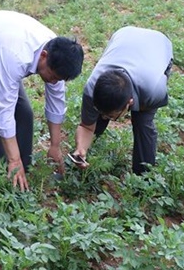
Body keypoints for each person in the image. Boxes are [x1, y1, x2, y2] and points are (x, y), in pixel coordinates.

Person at [0, 10, 84, 191]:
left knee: (24, 114)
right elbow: (4, 112)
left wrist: (55, 145)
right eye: (52, 76)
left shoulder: (58, 58)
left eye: (58, 79)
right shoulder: (17, 56)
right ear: (43, 56)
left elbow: (56, 102)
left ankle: (22, 178)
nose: (53, 82)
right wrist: (14, 159)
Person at [72, 26, 173, 175]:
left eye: (112, 116)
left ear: (129, 103)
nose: (107, 118)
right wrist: (81, 147)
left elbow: (144, 108)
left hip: (159, 44)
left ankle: (143, 177)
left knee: (142, 122)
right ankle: (86, 148)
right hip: (125, 36)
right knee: (96, 117)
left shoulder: (153, 90)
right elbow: (86, 126)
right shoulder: (92, 88)